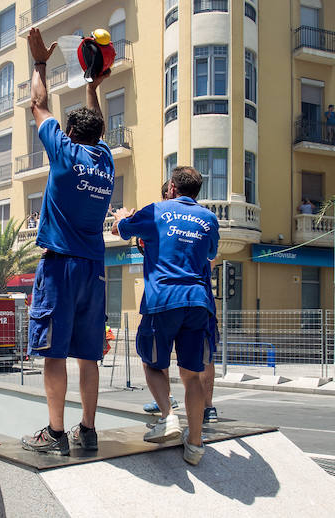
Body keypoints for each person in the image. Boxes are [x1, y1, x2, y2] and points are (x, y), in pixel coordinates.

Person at [20, 27, 114, 456]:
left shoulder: (65, 152)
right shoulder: (105, 159)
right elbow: (100, 126)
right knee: (88, 356)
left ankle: (56, 433)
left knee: (53, 353)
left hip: (60, 267)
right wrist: (93, 86)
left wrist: (39, 63)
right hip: (95, 269)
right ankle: (88, 430)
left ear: (70, 135)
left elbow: (38, 104)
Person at [111, 166, 220, 465]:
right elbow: (210, 253)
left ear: (171, 186)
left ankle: (169, 418)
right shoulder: (209, 219)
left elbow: (120, 231)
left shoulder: (156, 210)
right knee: (191, 375)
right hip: (198, 302)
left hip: (163, 300)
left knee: (152, 364)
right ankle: (195, 444)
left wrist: (122, 217)